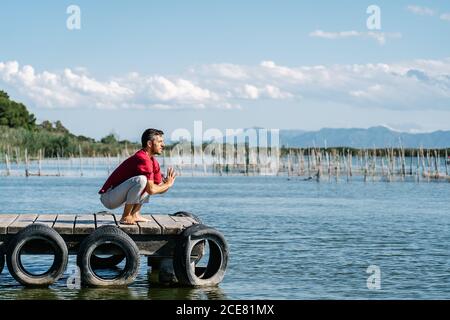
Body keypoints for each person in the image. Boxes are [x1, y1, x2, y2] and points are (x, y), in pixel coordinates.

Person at [98, 128, 176, 225]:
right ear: (149, 144)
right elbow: (152, 190)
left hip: (118, 196)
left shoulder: (153, 162)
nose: (163, 145)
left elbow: (159, 188)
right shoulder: (143, 158)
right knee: (142, 180)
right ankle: (126, 216)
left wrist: (167, 184)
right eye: (160, 142)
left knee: (147, 182)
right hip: (108, 197)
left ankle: (135, 214)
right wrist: (167, 184)